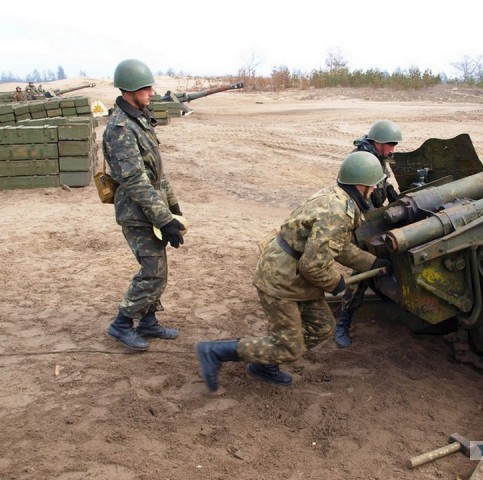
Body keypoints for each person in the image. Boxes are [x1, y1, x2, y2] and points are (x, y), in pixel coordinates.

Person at [196, 151, 392, 391]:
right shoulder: (338, 213)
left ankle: (264, 364)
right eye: (371, 188)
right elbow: (312, 266)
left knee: (322, 326)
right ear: (360, 185)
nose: (373, 193)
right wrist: (336, 283)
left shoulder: (337, 197)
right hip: (281, 280)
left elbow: (338, 247)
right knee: (290, 347)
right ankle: (216, 352)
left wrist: (373, 263)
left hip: (292, 276)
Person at [102, 59, 185, 351]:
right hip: (136, 213)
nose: (151, 92)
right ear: (131, 90)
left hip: (151, 210)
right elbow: (136, 181)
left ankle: (148, 322)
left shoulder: (139, 118)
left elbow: (156, 172)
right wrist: (164, 219)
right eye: (146, 88)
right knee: (153, 271)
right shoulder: (120, 128)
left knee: (156, 267)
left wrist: (172, 208)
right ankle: (122, 324)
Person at [335, 120, 403, 348]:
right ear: (378, 142)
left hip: (374, 215)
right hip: (361, 219)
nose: (393, 149)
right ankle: (343, 321)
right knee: (362, 270)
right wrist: (376, 220)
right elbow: (363, 198)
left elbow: (383, 186)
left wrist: (396, 198)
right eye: (390, 144)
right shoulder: (363, 159)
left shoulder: (379, 158)